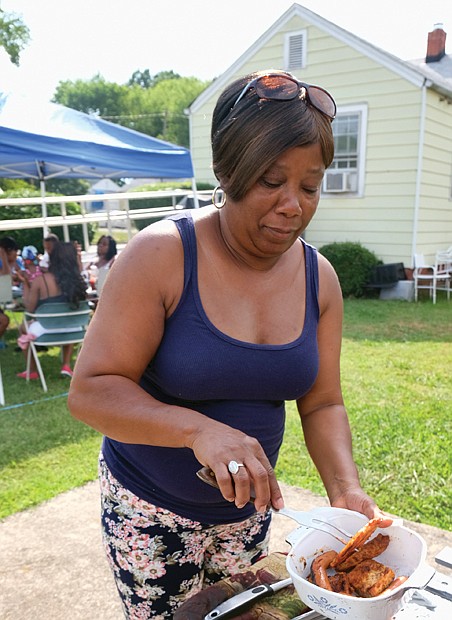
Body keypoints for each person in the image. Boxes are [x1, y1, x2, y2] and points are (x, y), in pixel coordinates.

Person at [68, 70, 392, 618]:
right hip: (150, 509)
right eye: (271, 181)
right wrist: (199, 431)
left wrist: (345, 490)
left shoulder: (321, 280)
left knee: (247, 614)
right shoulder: (162, 255)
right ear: (227, 171)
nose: (294, 204)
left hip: (247, 513)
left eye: (310, 186)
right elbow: (92, 391)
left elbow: (323, 401)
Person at [16, 241, 87, 379]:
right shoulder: (79, 281)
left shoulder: (41, 280)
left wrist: (25, 282)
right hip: (75, 331)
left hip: (47, 329)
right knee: (67, 319)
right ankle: (66, 365)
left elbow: (29, 308)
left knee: (23, 327)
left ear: (52, 258)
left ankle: (32, 371)